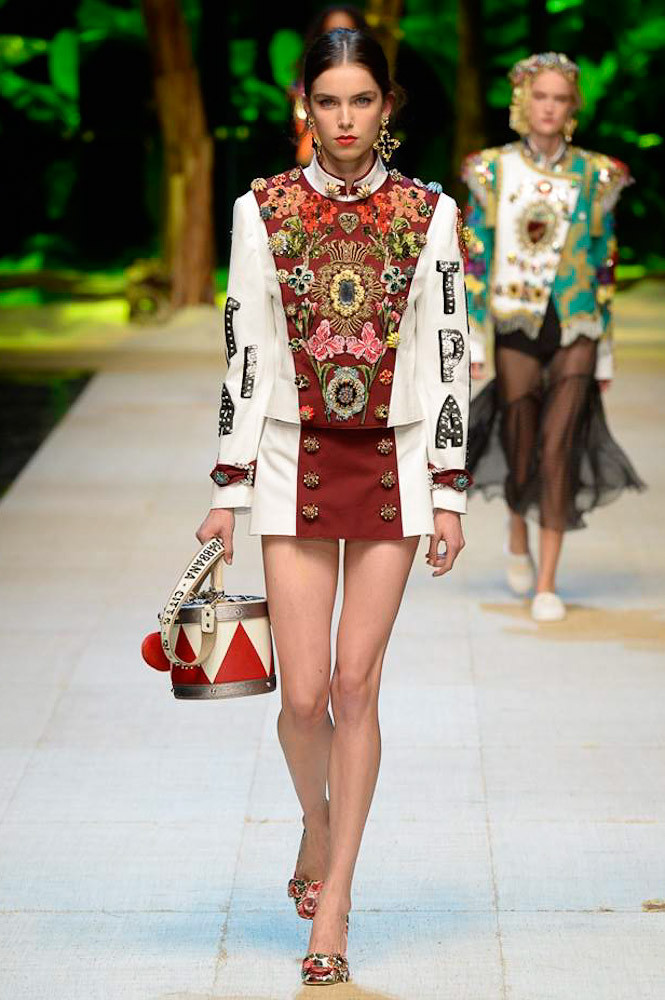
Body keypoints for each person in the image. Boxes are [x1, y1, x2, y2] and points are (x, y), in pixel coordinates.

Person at [197, 28, 472, 987]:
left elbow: (447, 345)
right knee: (302, 695)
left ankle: (336, 901)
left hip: (395, 463)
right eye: (328, 102)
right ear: (304, 108)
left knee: (357, 686)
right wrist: (228, 487)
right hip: (291, 459)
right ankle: (316, 823)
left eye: (361, 101)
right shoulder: (261, 209)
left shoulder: (429, 212)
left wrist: (449, 487)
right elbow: (245, 347)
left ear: (386, 107)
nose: (345, 120)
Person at [461, 52, 644, 623]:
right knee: (521, 442)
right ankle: (518, 527)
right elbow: (475, 257)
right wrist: (472, 338)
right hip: (515, 318)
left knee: (558, 444)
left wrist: (605, 350)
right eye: (540, 96)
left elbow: (604, 261)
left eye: (560, 98)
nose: (549, 107)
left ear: (572, 107)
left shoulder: (598, 174)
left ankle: (547, 581)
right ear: (523, 101)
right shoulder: (490, 171)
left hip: (576, 320)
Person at [289, 5, 369, 167]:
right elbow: (305, 153)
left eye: (348, 33)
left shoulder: (374, 82)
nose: (340, 41)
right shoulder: (304, 86)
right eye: (331, 33)